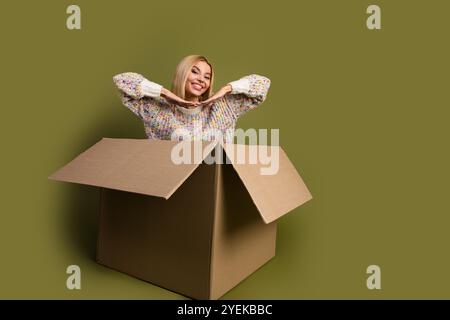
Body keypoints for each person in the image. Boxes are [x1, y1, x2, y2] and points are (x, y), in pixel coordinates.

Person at [113, 54, 271, 143]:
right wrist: (168, 95)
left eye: (207, 77)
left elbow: (262, 83)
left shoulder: (223, 106)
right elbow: (123, 80)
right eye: (195, 72)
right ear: (183, 73)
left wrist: (225, 89)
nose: (202, 79)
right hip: (169, 184)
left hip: (214, 184)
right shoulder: (157, 109)